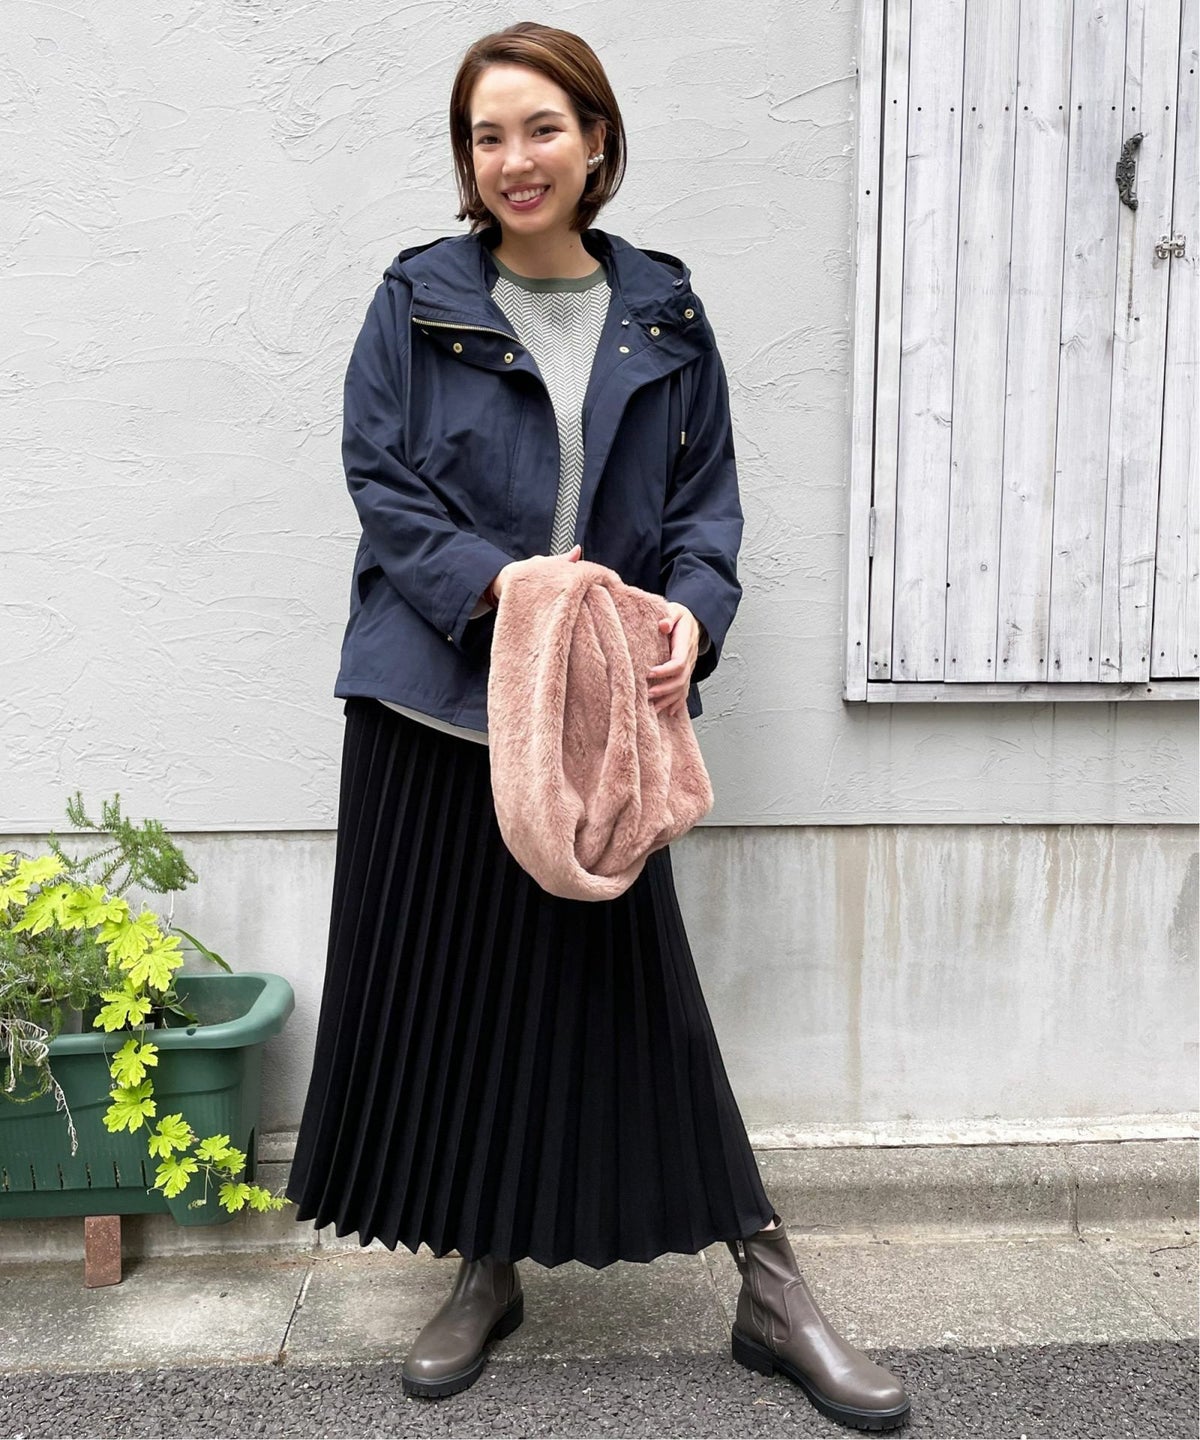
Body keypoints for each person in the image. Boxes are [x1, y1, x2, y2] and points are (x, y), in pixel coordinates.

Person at [285, 21, 911, 1433]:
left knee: (639, 994)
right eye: (488, 136)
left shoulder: (666, 312)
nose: (516, 159)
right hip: (432, 702)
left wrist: (696, 611)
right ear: (467, 161)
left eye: (542, 128)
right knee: (458, 993)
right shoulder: (417, 299)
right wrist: (500, 590)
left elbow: (705, 509)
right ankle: (485, 1265)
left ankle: (770, 1283)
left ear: (597, 140)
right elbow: (383, 483)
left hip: (594, 713)